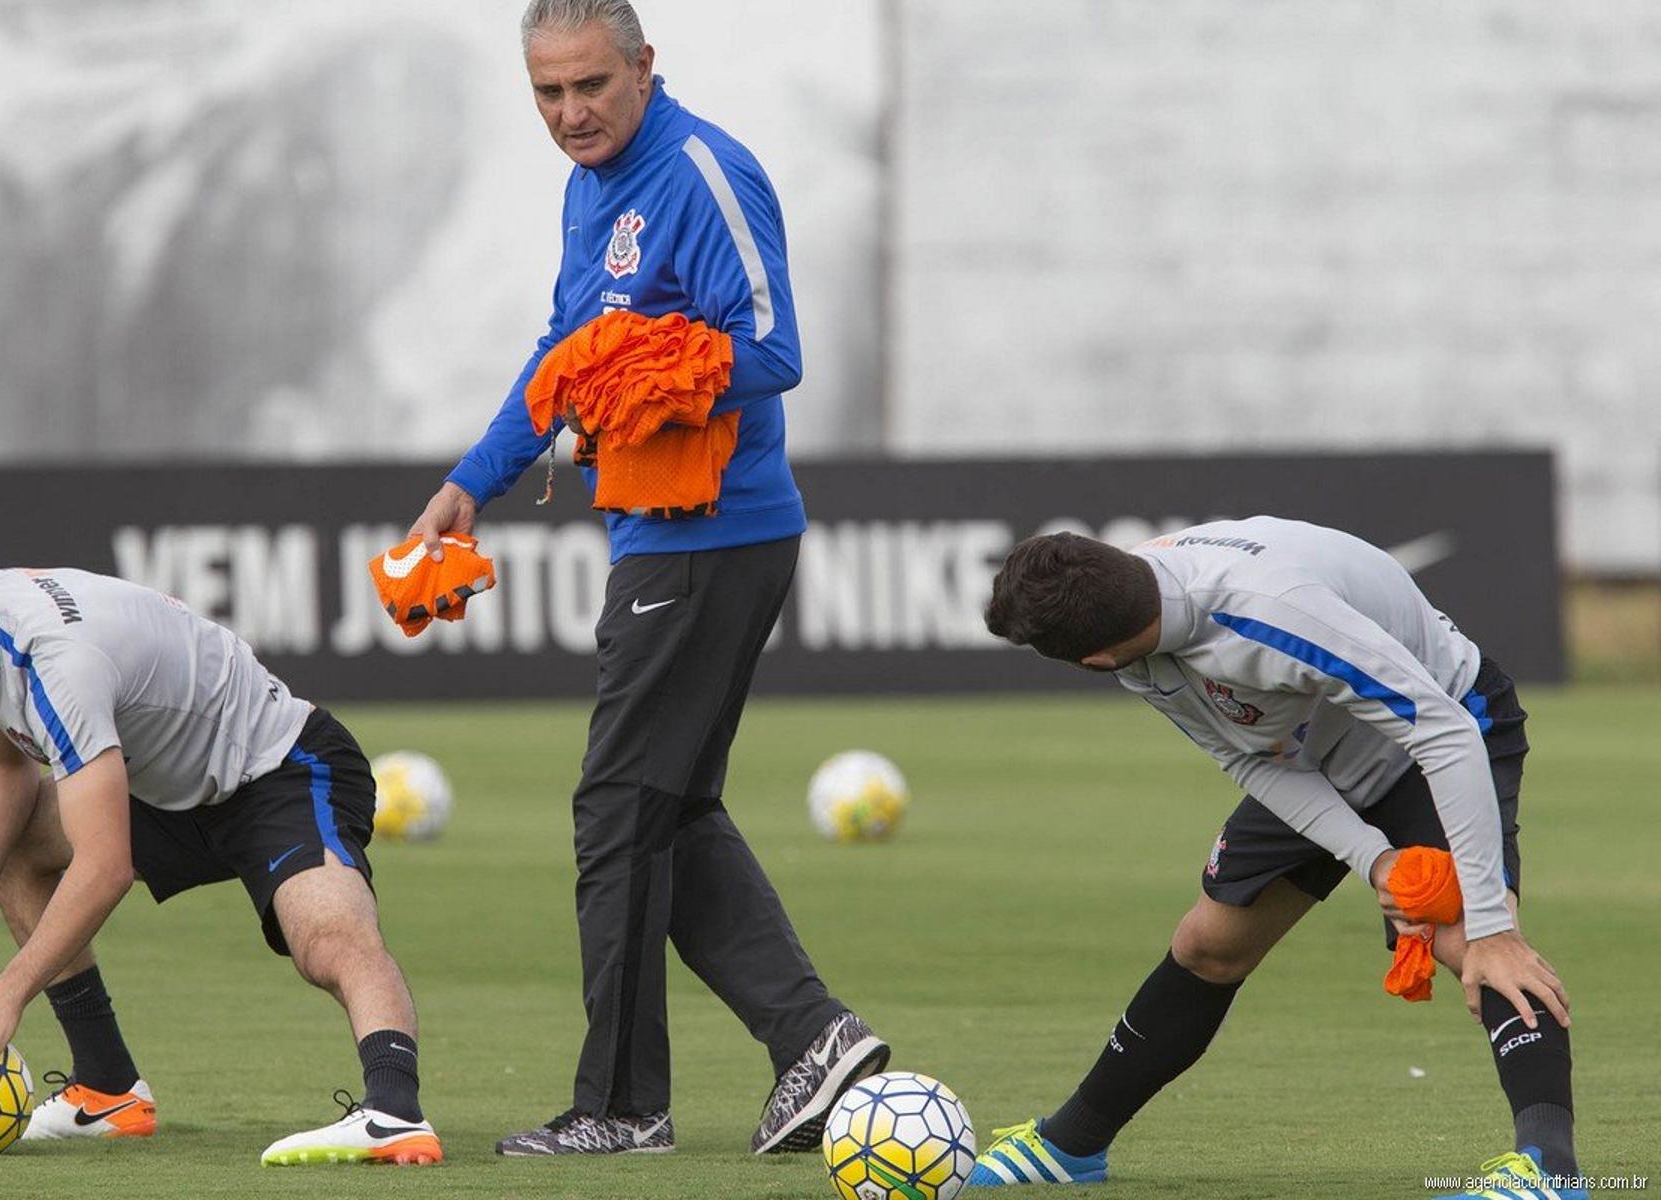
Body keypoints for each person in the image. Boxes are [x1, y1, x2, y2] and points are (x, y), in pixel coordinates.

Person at [404, 0, 887, 1158]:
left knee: (618, 815)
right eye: (547, 93)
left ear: (643, 68)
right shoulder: (592, 185)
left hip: (710, 535)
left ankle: (623, 1107)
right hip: (663, 538)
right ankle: (815, 1041)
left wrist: (633, 363)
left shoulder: (706, 170)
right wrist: (475, 480)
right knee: (667, 813)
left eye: (590, 87)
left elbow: (775, 349)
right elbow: (565, 350)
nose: (570, 113)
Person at [968, 517, 1583, 1198]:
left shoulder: (1270, 614)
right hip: (1315, 745)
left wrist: (1494, 924)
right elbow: (1248, 757)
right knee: (1209, 943)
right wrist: (1375, 860)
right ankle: (1072, 1144)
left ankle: (1549, 1169)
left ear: (1093, 661)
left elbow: (1442, 729)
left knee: (1469, 940)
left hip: (1443, 726)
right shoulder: (1124, 612)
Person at [0, 544, 441, 1168]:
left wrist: (0, 1002)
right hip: (166, 792)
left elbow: (104, 868)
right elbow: (3, 762)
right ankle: (107, 1091)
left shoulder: (59, 664)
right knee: (15, 851)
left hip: (280, 768)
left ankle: (394, 1111)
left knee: (326, 940)